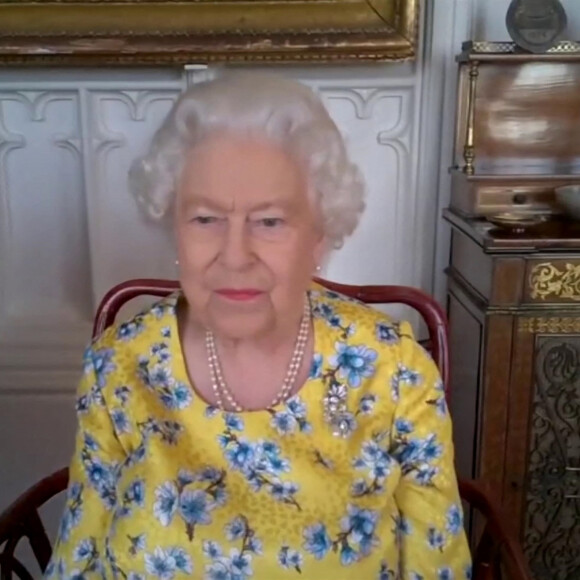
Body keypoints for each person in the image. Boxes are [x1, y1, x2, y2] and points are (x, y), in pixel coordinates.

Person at [46, 73, 471, 579]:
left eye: (269, 221)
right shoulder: (119, 366)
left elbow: (436, 565)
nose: (235, 255)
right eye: (205, 219)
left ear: (319, 233)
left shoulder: (392, 370)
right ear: (173, 228)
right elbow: (78, 557)